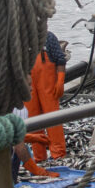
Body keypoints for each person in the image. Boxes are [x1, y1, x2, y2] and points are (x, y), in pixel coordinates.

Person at [19, 31, 68, 178]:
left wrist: (60, 80)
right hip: (28, 83)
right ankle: (39, 157)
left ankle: (58, 155)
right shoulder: (18, 38)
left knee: (53, 118)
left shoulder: (49, 37)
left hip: (48, 84)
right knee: (32, 118)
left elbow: (60, 60)